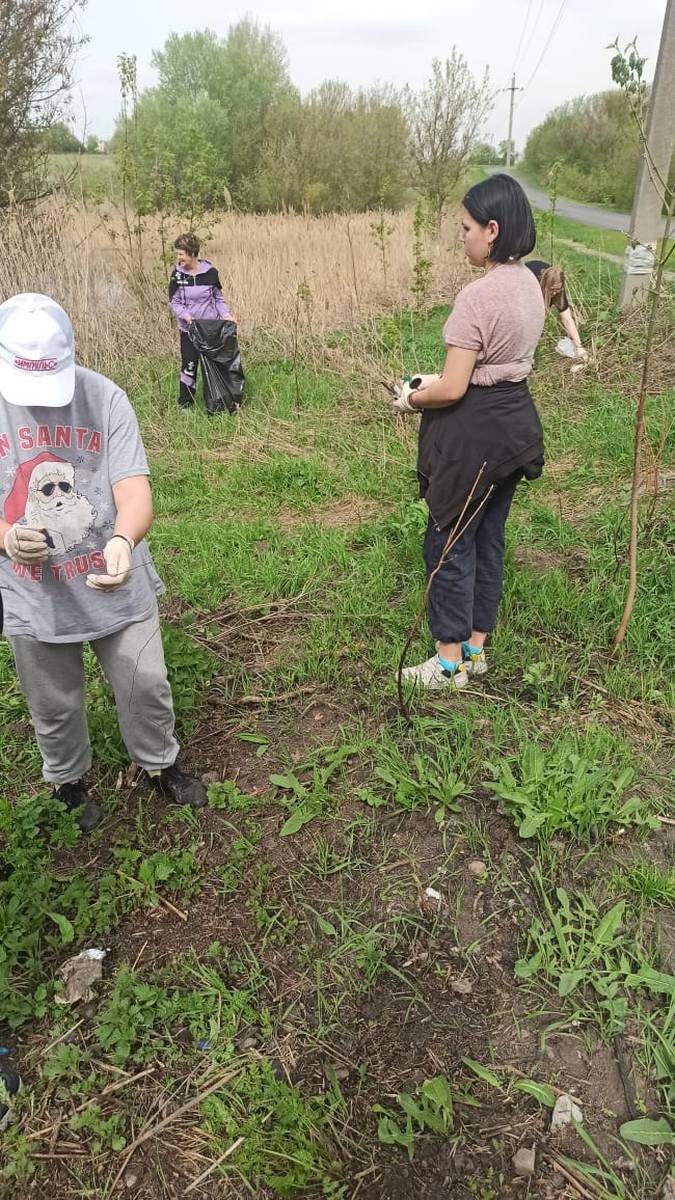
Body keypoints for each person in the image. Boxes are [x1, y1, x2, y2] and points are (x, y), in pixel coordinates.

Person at [0, 293, 207, 831]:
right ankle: (67, 781)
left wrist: (123, 539)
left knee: (145, 680)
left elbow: (133, 492)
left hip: (114, 574)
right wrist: (7, 537)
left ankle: (158, 762)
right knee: (53, 700)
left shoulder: (105, 398)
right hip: (32, 590)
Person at [393, 174, 546, 691]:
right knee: (487, 540)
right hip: (515, 430)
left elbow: (455, 387)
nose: (461, 238)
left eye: (465, 228)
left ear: (492, 230)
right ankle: (475, 651)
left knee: (449, 540)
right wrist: (439, 380)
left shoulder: (477, 297)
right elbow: (495, 365)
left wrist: (412, 398)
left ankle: (448, 665)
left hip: (475, 438)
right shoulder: (529, 285)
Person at [169, 233, 232, 410]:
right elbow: (174, 302)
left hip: (210, 328)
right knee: (189, 365)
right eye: (178, 254)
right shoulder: (177, 275)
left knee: (213, 365)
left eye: (181, 254)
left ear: (192, 253)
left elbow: (218, 299)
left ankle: (216, 401)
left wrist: (226, 315)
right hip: (189, 330)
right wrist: (186, 316)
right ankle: (186, 404)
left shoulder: (211, 273)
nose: (178, 258)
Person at [524, 259, 588, 359]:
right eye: (552, 290)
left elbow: (567, 319)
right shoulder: (532, 286)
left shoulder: (558, 291)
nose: (554, 293)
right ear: (546, 286)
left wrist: (579, 346)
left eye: (557, 290)